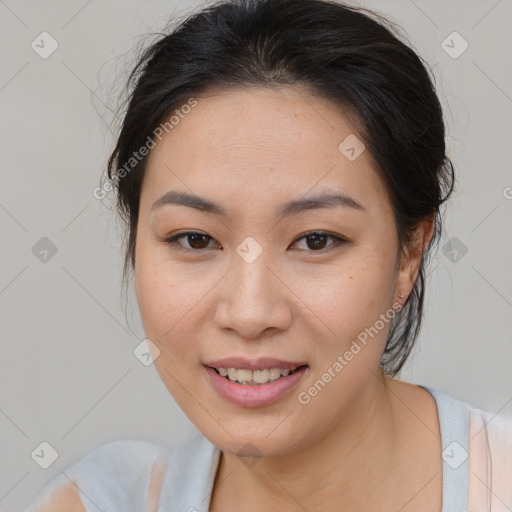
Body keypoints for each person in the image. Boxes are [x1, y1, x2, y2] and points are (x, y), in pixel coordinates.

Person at [22, 0, 512, 511]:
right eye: (195, 239)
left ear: (409, 253)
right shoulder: (100, 502)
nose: (250, 313)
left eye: (316, 240)